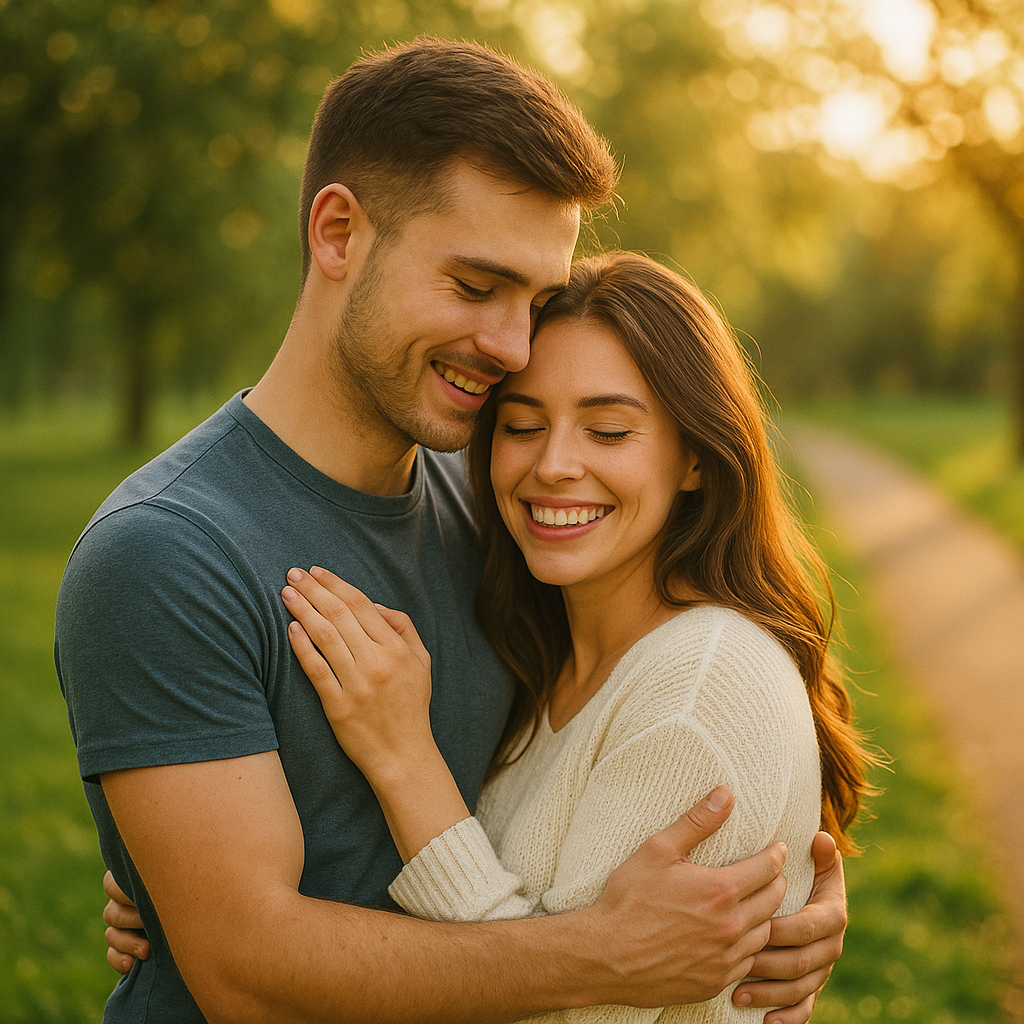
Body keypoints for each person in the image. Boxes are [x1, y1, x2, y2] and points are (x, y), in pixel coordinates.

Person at [56, 38, 847, 1024]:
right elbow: (248, 974)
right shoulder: (169, 551)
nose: (512, 346)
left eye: (533, 299)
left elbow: (616, 742)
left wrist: (774, 899)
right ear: (339, 234)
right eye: (476, 287)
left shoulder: (511, 513)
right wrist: (605, 957)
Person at [276, 251, 872, 1022]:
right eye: (522, 425)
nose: (554, 465)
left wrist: (405, 763)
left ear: (694, 455)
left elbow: (553, 1009)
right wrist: (224, 887)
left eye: (609, 430)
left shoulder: (696, 694)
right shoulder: (542, 646)